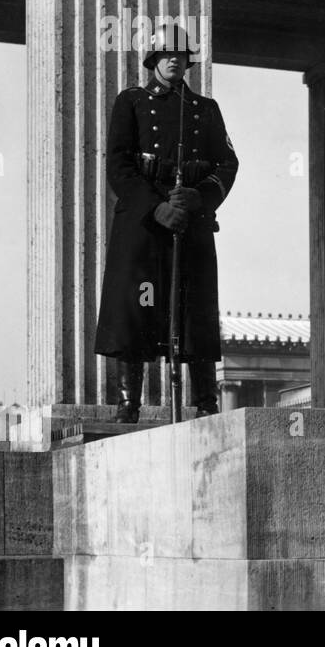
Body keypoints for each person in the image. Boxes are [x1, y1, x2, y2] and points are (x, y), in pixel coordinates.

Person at [93, 25, 239, 423]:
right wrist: (156, 207)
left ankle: (207, 403)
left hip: (189, 218)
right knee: (139, 304)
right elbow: (119, 165)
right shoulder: (132, 101)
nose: (174, 60)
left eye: (181, 55)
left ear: (189, 60)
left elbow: (227, 164)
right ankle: (129, 403)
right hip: (144, 223)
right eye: (166, 55)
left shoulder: (205, 108)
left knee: (194, 309)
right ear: (153, 60)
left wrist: (198, 198)